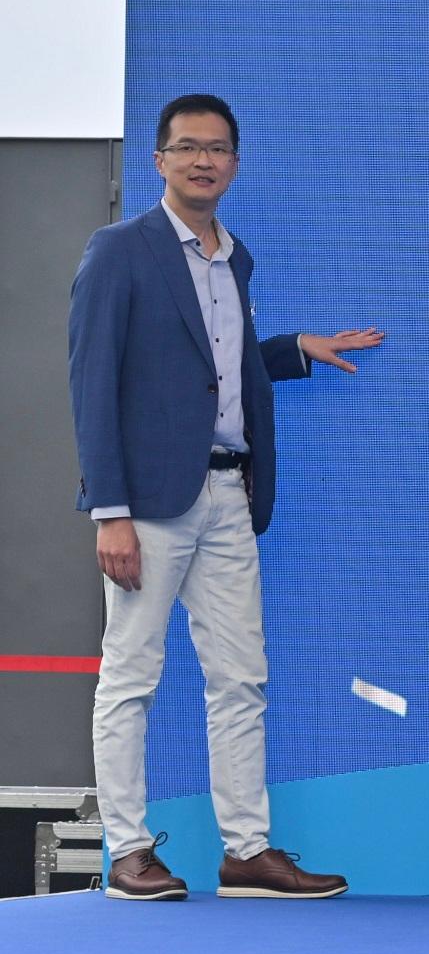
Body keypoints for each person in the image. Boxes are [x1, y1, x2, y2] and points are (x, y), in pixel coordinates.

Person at [68, 93, 383, 901]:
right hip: (145, 504)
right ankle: (129, 853)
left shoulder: (233, 258)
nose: (204, 160)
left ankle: (247, 851)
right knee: (131, 676)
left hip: (228, 495)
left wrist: (291, 349)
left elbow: (212, 366)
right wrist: (109, 509)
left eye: (218, 149)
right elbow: (93, 383)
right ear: (160, 159)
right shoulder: (119, 250)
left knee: (242, 677)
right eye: (187, 147)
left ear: (236, 162)